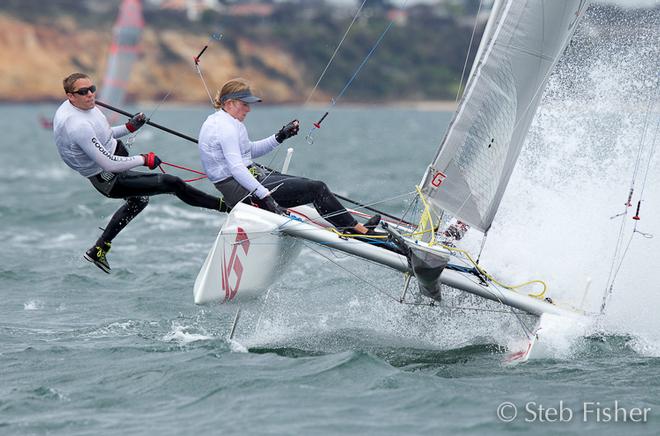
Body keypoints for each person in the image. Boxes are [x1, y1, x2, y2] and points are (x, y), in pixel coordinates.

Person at [53, 72, 228, 274]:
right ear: (70, 96)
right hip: (107, 178)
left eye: (92, 89)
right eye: (83, 92)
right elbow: (108, 164)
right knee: (172, 183)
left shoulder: (85, 107)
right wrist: (144, 160)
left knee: (140, 200)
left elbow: (103, 134)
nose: (91, 95)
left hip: (114, 157)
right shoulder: (76, 125)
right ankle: (226, 207)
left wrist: (129, 127)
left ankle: (99, 249)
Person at [197, 78, 381, 235]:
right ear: (229, 103)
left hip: (248, 180)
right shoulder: (226, 127)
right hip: (242, 191)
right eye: (244, 104)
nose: (248, 109)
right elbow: (236, 168)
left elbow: (249, 151)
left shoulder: (226, 121)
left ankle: (353, 227)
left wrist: (280, 136)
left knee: (306, 182)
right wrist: (266, 198)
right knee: (316, 188)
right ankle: (357, 232)